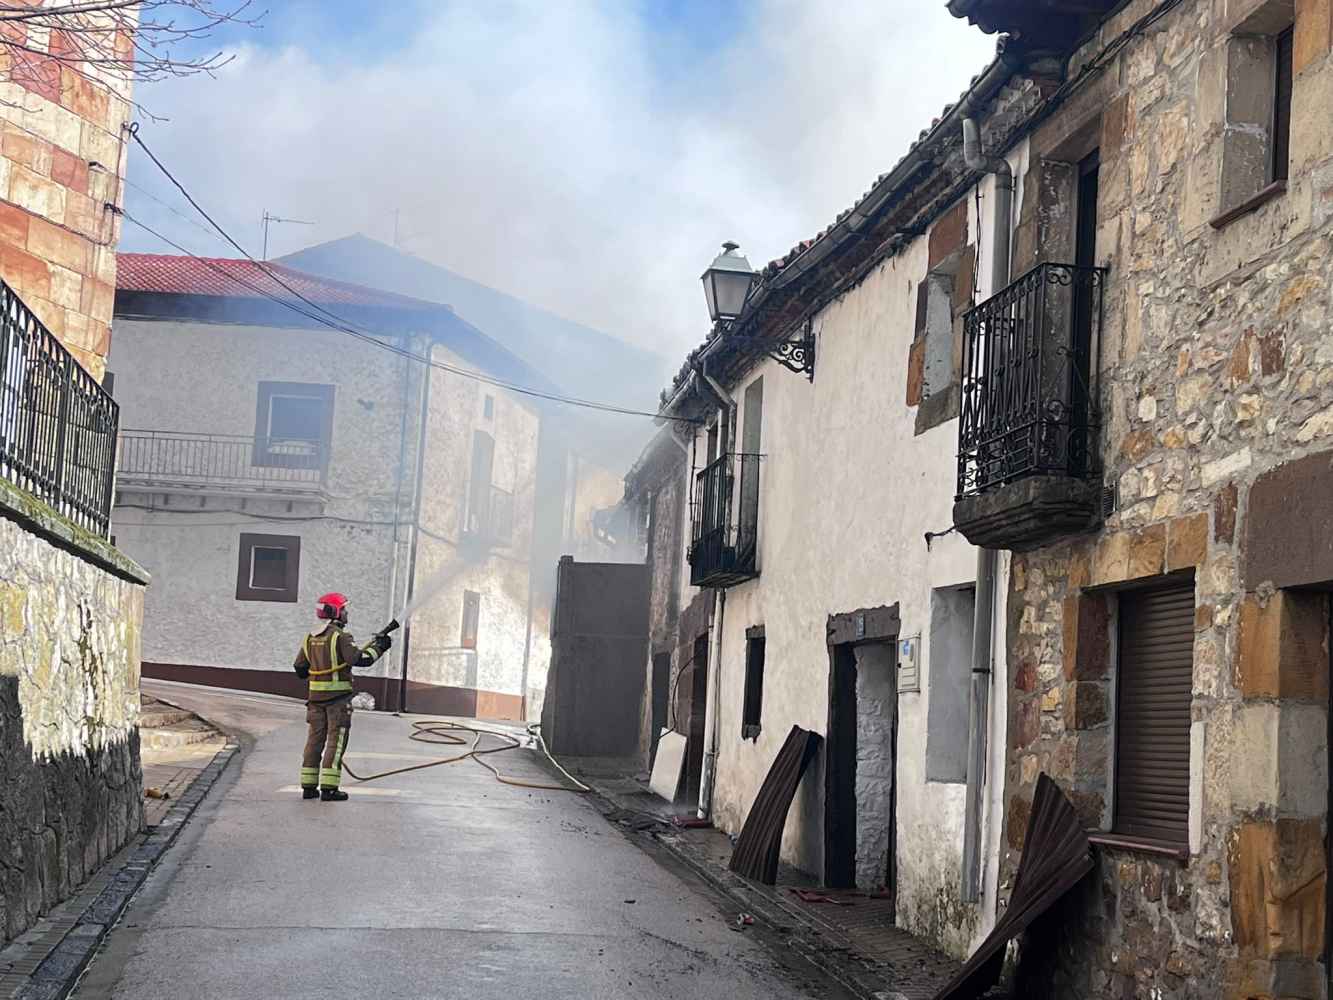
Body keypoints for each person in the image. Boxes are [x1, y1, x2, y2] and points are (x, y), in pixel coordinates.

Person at [292, 592, 393, 801]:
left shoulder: (310, 637)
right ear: (335, 612)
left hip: (315, 701)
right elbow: (361, 659)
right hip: (337, 701)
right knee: (335, 743)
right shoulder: (341, 637)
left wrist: (319, 668)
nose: (347, 613)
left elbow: (300, 668)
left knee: (314, 742)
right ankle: (329, 789)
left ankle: (309, 787)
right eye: (344, 609)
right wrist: (380, 647)